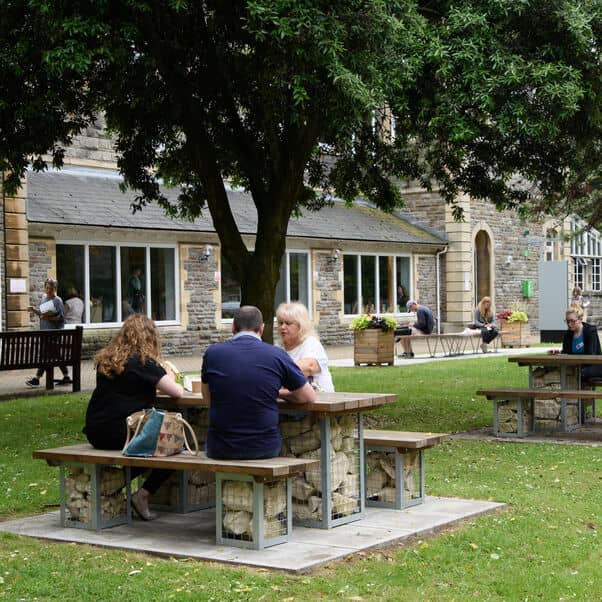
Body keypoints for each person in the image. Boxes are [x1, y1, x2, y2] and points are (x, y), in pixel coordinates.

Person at [83, 314, 184, 520]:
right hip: (120, 433)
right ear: (150, 337)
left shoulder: (108, 360)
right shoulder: (144, 362)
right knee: (174, 444)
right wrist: (170, 374)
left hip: (95, 431)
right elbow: (177, 392)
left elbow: (127, 389)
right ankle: (143, 494)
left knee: (153, 444)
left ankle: (117, 482)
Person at [201, 305, 316, 460]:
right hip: (264, 448)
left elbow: (207, 398)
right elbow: (308, 396)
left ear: (233, 328)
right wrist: (279, 393)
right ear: (261, 329)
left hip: (220, 448)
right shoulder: (277, 355)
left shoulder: (212, 353)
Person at [276, 301, 335, 392]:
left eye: (288, 323)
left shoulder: (311, 343)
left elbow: (309, 368)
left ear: (301, 325)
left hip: (321, 400)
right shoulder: (278, 347)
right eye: (280, 323)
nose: (283, 327)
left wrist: (275, 370)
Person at [26, 278, 72, 387]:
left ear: (55, 288)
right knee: (54, 355)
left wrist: (49, 318)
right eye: (47, 288)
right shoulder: (44, 299)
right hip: (45, 332)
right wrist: (34, 310)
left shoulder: (58, 301)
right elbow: (42, 314)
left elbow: (61, 318)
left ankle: (37, 379)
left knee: (45, 355)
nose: (48, 291)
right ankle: (66, 376)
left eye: (50, 289)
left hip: (54, 333)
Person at [554, 306, 602, 381]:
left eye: (572, 321)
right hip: (576, 366)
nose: (569, 324)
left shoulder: (590, 331)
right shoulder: (568, 334)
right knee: (553, 369)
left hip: (593, 365)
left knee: (578, 374)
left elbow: (590, 355)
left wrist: (571, 358)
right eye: (567, 321)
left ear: (580, 319)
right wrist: (559, 354)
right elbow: (565, 352)